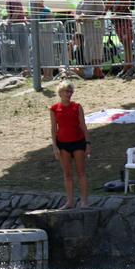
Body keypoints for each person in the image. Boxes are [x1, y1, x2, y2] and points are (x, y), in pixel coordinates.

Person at [49, 81, 91, 209]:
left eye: (70, 92)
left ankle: (84, 201)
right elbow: (53, 128)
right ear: (60, 93)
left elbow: (83, 125)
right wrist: (54, 146)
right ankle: (70, 201)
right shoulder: (54, 108)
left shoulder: (77, 106)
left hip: (78, 141)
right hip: (62, 144)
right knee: (67, 174)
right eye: (66, 91)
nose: (68, 94)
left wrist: (88, 143)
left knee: (81, 172)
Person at [104, 0, 135, 78]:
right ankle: (127, 66)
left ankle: (129, 66)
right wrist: (104, 12)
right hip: (116, 19)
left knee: (127, 42)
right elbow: (109, 1)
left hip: (124, 16)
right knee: (123, 42)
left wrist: (121, 10)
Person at [76, 0, 105, 79]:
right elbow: (77, 14)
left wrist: (87, 16)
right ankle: (97, 72)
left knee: (96, 50)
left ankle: (98, 71)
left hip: (96, 30)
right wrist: (78, 18)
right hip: (86, 31)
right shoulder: (81, 2)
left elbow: (101, 13)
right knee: (89, 52)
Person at [0, 0, 29, 72]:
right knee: (17, 47)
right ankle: (22, 68)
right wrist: (6, 21)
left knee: (23, 47)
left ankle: (26, 69)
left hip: (20, 26)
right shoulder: (7, 1)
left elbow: (17, 11)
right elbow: (9, 14)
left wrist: (11, 21)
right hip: (14, 27)